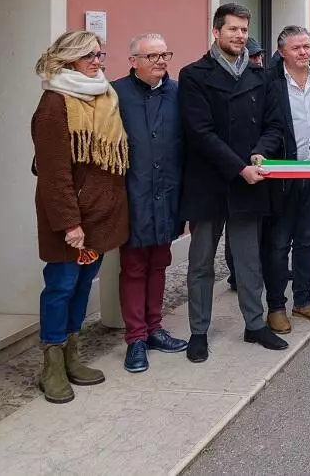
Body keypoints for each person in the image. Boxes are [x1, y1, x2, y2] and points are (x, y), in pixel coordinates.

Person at [179, 3, 287, 363]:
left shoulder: (262, 77)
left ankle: (254, 325)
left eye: (244, 30)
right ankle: (198, 332)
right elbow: (200, 132)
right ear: (216, 32)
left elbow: (275, 126)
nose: (239, 36)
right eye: (232, 30)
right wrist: (240, 166)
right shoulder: (194, 74)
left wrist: (260, 152)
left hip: (251, 180)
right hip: (209, 181)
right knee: (201, 263)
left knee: (248, 260)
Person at [32, 31, 130, 403]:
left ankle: (72, 355)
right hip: (68, 220)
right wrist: (70, 223)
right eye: (90, 54)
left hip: (100, 216)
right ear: (69, 58)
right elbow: (54, 174)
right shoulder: (54, 104)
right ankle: (52, 364)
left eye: (101, 54)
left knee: (82, 284)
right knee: (60, 286)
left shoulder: (105, 95)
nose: (98, 61)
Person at [113, 34, 188, 374]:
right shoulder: (115, 94)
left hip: (168, 194)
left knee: (159, 264)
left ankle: (155, 328)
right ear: (134, 61)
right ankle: (135, 339)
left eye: (165, 54)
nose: (161, 61)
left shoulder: (177, 94)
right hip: (132, 195)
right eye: (152, 55)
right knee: (133, 267)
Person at [262, 26, 310, 337]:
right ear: (282, 52)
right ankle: (276, 307)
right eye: (297, 48)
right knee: (278, 244)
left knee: (308, 241)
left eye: (307, 46)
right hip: (282, 176)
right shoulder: (268, 82)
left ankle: (303, 300)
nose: (304, 52)